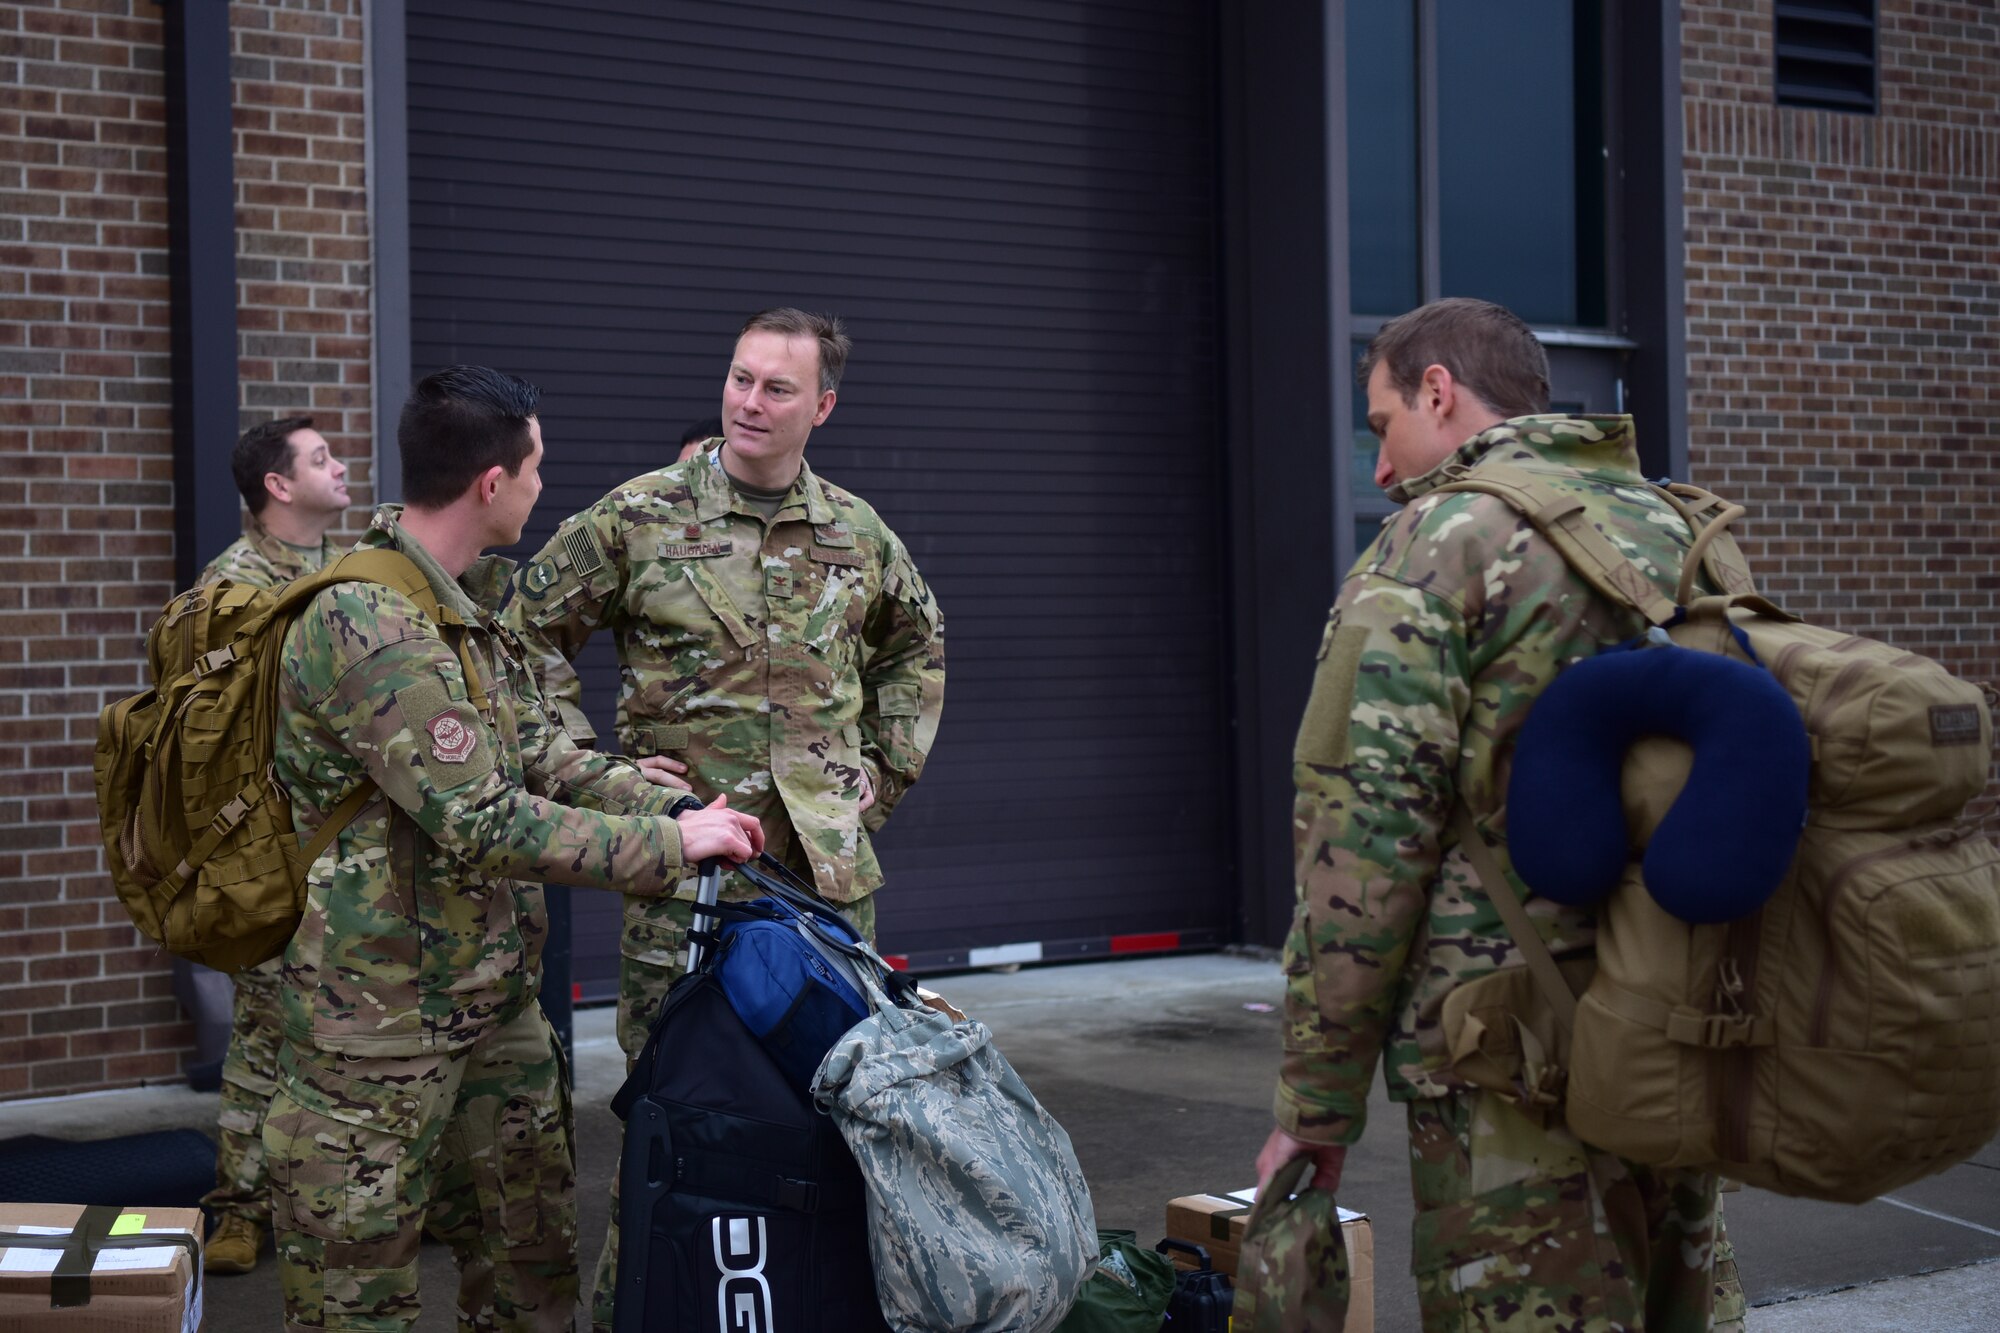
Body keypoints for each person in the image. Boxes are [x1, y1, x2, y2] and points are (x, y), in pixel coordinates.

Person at [1253, 298, 1745, 1330]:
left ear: (1438, 391)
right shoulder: (1676, 529)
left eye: (1380, 425)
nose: (1379, 469)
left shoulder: (1439, 542)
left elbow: (1361, 841)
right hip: (1680, 1021)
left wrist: (1316, 1101)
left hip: (1507, 1062)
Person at [261, 366, 764, 1333]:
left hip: (492, 994)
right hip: (377, 1016)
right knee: (357, 1287)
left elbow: (538, 750)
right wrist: (669, 842)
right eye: (537, 468)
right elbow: (483, 818)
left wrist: (672, 800)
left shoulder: (469, 599)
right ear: (493, 482)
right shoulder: (369, 619)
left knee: (532, 1262)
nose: (544, 486)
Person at [501, 308, 945, 1331]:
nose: (748, 402)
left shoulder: (856, 533)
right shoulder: (639, 515)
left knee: (838, 1119)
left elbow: (916, 648)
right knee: (673, 1125)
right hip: (689, 890)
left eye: (775, 388)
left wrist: (883, 766)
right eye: (740, 379)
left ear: (821, 406)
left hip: (826, 892)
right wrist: (598, 773)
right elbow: (520, 643)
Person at [196, 415, 351, 1276]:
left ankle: (335, 1200)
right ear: (278, 488)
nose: (341, 465)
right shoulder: (232, 587)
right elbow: (211, 732)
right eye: (321, 457)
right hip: (269, 846)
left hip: (344, 845)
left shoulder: (343, 570)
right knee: (263, 1032)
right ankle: (239, 1209)